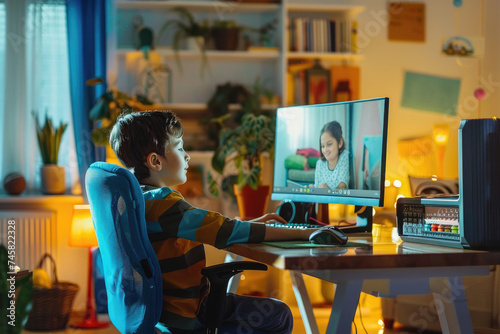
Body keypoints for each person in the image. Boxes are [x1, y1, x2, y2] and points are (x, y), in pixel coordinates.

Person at [109, 110, 319, 334]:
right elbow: (225, 231)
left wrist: (256, 223)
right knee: (279, 315)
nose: (186, 156)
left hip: (163, 313)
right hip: (189, 315)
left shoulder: (138, 201)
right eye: (180, 148)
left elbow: (211, 224)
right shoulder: (164, 204)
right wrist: (305, 233)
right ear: (155, 161)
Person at [314, 121, 350, 190]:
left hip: (336, 200)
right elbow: (317, 190)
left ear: (340, 143)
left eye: (329, 144)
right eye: (322, 146)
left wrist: (326, 189)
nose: (325, 150)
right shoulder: (319, 164)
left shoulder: (344, 157)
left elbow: (342, 186)